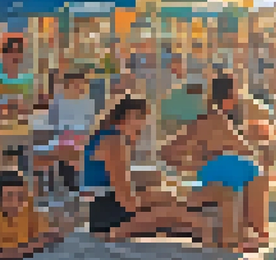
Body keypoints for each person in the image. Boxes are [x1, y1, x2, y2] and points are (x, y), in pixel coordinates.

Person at [158, 75, 269, 252]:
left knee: (255, 174)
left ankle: (252, 234)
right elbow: (246, 150)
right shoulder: (215, 119)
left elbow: (168, 152)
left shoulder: (212, 119)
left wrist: (193, 164)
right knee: (257, 174)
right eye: (236, 92)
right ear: (229, 94)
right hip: (224, 174)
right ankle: (256, 234)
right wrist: (195, 164)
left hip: (226, 173)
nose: (238, 97)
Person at [82, 97, 213, 243]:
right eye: (138, 117)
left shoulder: (107, 137)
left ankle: (190, 227)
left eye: (144, 118)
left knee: (168, 202)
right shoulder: (115, 142)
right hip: (107, 217)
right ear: (122, 118)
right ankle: (209, 237)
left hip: (103, 208)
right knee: (174, 212)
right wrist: (155, 207)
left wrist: (157, 200)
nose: (142, 124)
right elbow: (126, 200)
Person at [0, 34, 35, 118]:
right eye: (12, 51)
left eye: (19, 51)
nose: (15, 55)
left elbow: (28, 108)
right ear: (5, 54)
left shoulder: (27, 78)